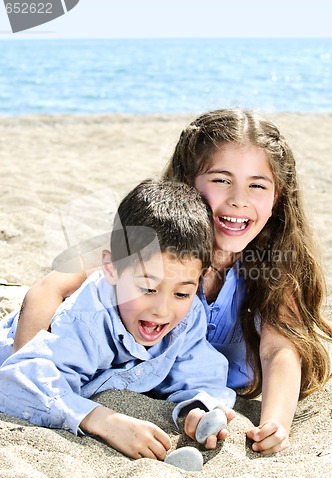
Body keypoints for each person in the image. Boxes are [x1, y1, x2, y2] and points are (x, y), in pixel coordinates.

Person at [12, 108, 332, 454]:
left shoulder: (274, 264)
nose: (238, 199)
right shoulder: (147, 246)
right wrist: (37, 378)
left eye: (257, 185)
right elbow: (48, 289)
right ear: (187, 182)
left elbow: (278, 349)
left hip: (185, 379)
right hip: (116, 360)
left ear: (277, 197)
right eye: (221, 180)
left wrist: (275, 424)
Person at [0, 179, 236, 460]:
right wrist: (103, 421)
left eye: (182, 293)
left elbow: (200, 371)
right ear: (111, 269)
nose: (162, 309)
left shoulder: (188, 314)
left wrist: (198, 408)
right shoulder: (87, 318)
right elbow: (20, 381)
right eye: (147, 288)